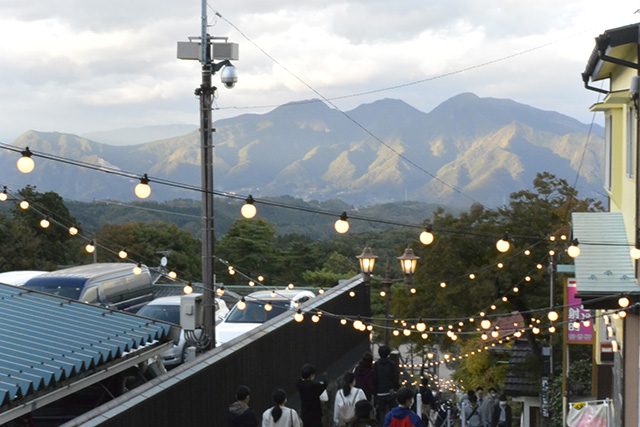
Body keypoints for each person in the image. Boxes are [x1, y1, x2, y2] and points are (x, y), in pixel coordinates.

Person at [373, 346, 400, 422]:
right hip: (390, 392)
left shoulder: (376, 365)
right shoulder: (392, 364)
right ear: (388, 353)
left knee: (381, 414)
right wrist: (395, 388)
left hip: (379, 393)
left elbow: (374, 378)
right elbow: (395, 377)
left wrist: (375, 391)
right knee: (393, 414)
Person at [296, 363, 327, 427]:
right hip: (315, 415)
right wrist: (325, 379)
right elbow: (324, 385)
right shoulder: (313, 386)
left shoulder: (299, 384)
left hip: (305, 414)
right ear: (311, 375)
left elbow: (300, 380)